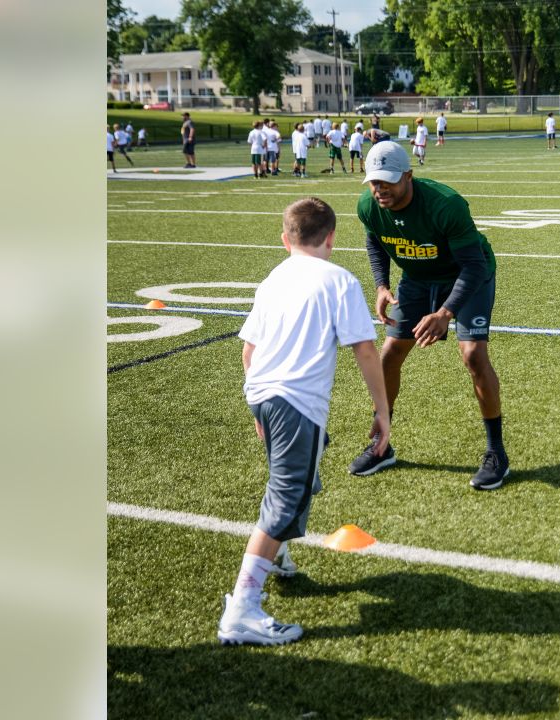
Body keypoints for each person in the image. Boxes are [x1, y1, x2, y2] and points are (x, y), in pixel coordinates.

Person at [218, 196, 391, 646]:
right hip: (295, 401)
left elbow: (248, 351)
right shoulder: (339, 280)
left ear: (285, 239)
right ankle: (243, 609)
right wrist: (382, 410)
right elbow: (366, 350)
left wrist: (259, 403)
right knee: (286, 495)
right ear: (331, 238)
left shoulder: (274, 277)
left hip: (263, 393)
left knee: (295, 476)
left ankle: (277, 557)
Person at [352, 142, 510, 491]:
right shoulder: (369, 205)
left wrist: (445, 313)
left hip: (467, 275)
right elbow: (375, 241)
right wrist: (381, 285)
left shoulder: (445, 204)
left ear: (408, 176)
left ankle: (496, 453)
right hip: (418, 279)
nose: (380, 189)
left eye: (388, 181)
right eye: (374, 182)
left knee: (473, 355)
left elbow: (473, 264)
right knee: (389, 354)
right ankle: (382, 445)